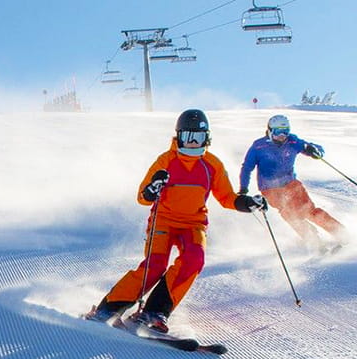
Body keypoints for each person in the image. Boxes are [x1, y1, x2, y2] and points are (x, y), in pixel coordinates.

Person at [84, 109, 267, 334]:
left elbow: (227, 197)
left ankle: (153, 312)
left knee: (194, 260)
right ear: (178, 136)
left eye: (198, 138)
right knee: (155, 266)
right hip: (163, 221)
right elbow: (142, 196)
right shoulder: (166, 161)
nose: (192, 143)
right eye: (187, 137)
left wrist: (248, 203)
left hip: (193, 224)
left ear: (207, 138)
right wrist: (153, 188)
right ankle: (107, 308)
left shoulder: (212, 165)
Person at [239, 114, 347, 252]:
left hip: (291, 184)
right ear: (270, 131)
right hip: (270, 189)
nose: (282, 135)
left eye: (286, 131)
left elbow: (314, 147)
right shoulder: (259, 146)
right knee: (289, 214)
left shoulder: (292, 141)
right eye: (278, 132)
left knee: (309, 210)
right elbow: (247, 168)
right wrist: (243, 187)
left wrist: (313, 150)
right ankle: (314, 241)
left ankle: (341, 233)